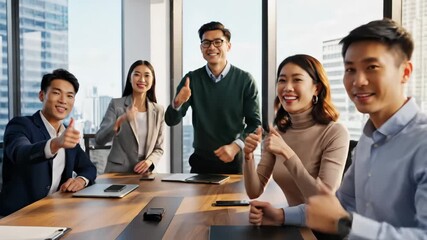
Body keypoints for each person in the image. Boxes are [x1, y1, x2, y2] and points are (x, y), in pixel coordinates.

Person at [250, 19, 427, 239]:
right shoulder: (367, 141)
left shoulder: (422, 143)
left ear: (405, 72)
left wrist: (346, 226)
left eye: (372, 67)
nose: (358, 80)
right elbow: (336, 206)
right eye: (350, 69)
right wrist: (281, 215)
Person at [244, 54, 349, 206]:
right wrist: (248, 157)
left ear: (317, 88)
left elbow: (324, 201)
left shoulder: (335, 133)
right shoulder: (278, 133)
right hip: (289, 222)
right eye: (282, 80)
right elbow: (254, 191)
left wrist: (287, 153)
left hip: (323, 227)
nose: (287, 88)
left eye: (297, 79)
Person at [165, 21, 261, 174]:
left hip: (234, 162)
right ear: (201, 48)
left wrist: (236, 145)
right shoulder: (191, 79)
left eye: (218, 42)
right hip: (200, 163)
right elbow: (171, 120)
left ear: (228, 46)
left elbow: (255, 125)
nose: (211, 47)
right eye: (206, 43)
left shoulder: (245, 80)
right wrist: (177, 103)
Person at [0, 69, 97, 216]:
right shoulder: (21, 125)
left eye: (69, 96)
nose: (63, 100)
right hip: (19, 216)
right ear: (42, 95)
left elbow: (89, 168)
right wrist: (55, 143)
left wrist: (80, 180)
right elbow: (21, 153)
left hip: (56, 212)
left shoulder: (67, 133)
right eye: (57, 93)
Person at [96, 60, 164, 174]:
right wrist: (119, 122)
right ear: (130, 78)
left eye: (147, 75)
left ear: (152, 81)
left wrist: (149, 162)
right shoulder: (116, 105)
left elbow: (159, 148)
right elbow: (99, 139)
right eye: (137, 74)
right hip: (117, 173)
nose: (142, 79)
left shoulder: (158, 110)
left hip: (145, 173)